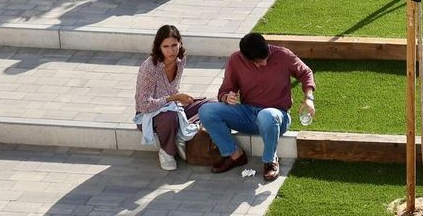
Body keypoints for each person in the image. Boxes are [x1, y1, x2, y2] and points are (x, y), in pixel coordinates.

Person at [198, 32, 316, 181]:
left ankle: (270, 161)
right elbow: (224, 91)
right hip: (247, 113)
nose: (265, 64)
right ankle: (235, 155)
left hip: (277, 116)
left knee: (267, 115)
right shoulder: (235, 60)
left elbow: (306, 72)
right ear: (245, 57)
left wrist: (309, 98)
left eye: (266, 58)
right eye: (259, 62)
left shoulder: (283, 55)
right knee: (206, 110)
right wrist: (227, 97)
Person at [134, 25, 207, 171]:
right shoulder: (149, 67)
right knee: (170, 117)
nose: (171, 50)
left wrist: (178, 99)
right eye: (165, 46)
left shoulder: (181, 60)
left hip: (172, 106)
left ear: (180, 43)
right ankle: (167, 152)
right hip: (148, 114)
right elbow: (143, 105)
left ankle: (180, 133)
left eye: (174, 45)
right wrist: (173, 98)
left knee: (210, 105)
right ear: (158, 47)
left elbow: (174, 90)